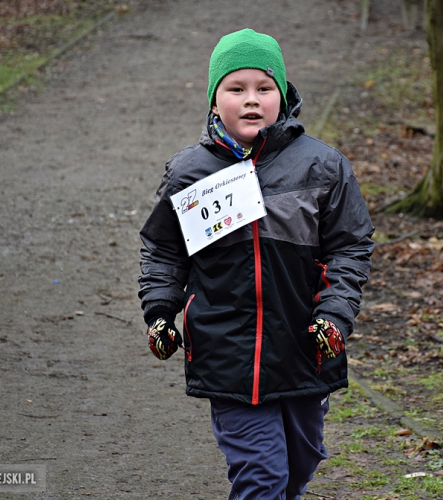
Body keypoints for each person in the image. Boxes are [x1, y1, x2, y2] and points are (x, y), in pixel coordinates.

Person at [137, 28, 374, 500]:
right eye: (236, 88)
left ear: (282, 96)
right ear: (214, 99)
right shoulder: (189, 172)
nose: (251, 100)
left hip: (304, 349)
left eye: (264, 88)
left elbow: (350, 247)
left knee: (300, 462)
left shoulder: (323, 167)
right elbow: (164, 250)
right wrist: (160, 312)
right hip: (227, 354)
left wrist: (335, 314)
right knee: (262, 474)